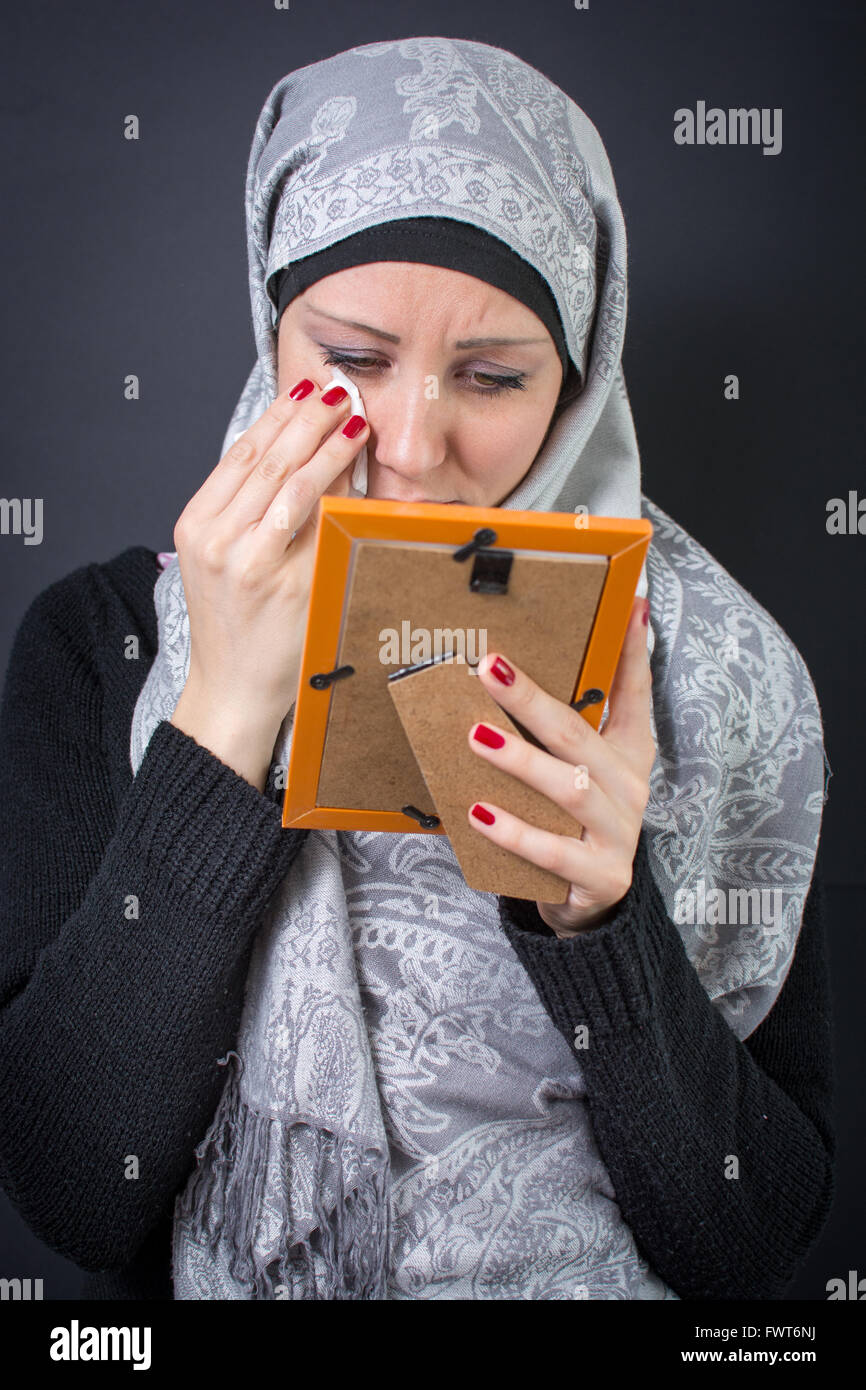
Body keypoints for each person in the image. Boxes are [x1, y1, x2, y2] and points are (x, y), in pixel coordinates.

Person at [0, 37, 834, 1301]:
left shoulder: (721, 681)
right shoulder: (100, 642)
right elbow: (73, 1190)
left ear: (578, 381)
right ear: (269, 331)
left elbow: (749, 1244)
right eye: (349, 359)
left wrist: (597, 919)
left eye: (493, 376)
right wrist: (223, 717)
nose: (409, 445)